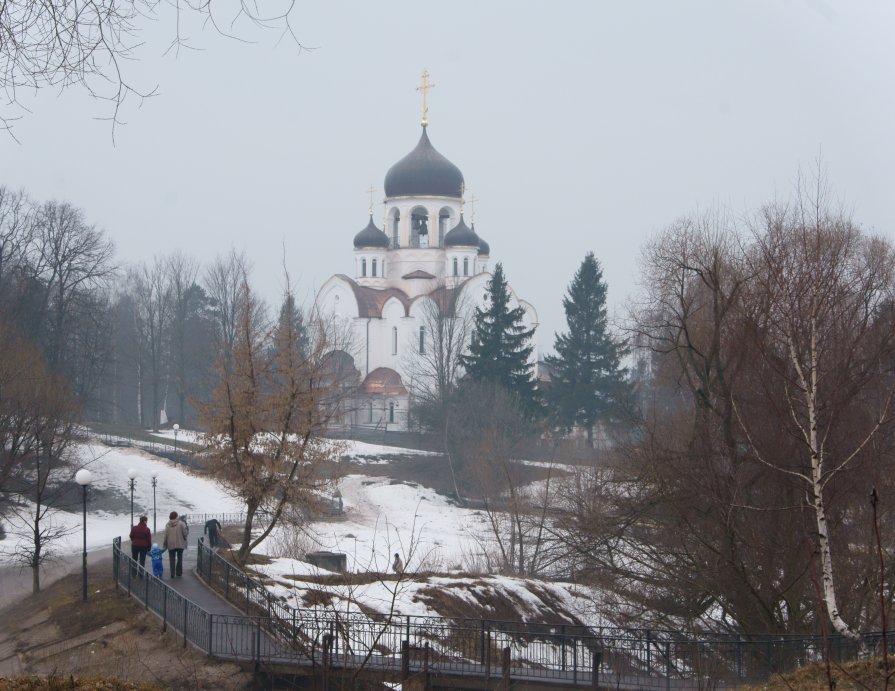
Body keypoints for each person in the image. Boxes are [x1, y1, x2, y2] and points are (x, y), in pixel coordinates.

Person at [163, 510, 189, 578]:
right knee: (180, 558)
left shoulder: (167, 524)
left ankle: (172, 573)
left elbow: (166, 535)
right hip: (180, 543)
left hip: (170, 544)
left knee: (172, 559)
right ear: (176, 516)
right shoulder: (181, 523)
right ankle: (179, 572)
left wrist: (165, 544)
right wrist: (185, 538)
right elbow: (185, 532)